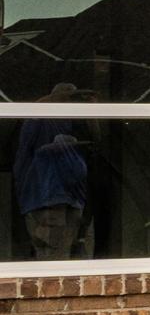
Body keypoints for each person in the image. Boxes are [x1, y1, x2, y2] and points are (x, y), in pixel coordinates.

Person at [13, 82, 94, 261]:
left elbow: (98, 142)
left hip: (71, 200)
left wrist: (93, 111)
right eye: (67, 97)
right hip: (48, 201)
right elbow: (23, 154)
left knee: (68, 252)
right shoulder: (40, 120)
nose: (71, 102)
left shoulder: (72, 122)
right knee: (54, 258)